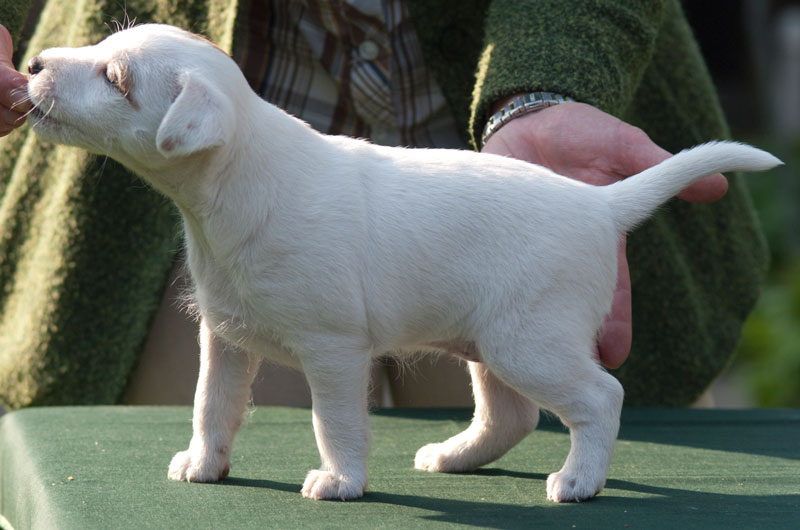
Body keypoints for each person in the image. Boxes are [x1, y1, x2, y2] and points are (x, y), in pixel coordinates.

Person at [0, 0, 767, 410]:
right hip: (205, 171)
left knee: (564, 450)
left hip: (501, 173)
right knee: (179, 486)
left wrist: (544, 90)